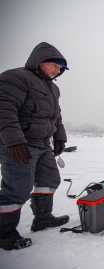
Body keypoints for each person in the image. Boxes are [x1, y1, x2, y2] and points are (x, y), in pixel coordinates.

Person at [0, 42, 70, 250]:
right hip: (20, 144)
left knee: (49, 180)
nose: (59, 71)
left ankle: (43, 218)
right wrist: (14, 141)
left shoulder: (53, 89)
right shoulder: (16, 78)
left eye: (61, 69)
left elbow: (56, 117)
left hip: (42, 144)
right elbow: (4, 109)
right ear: (41, 61)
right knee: (17, 189)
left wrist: (59, 137)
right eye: (56, 66)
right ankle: (5, 235)